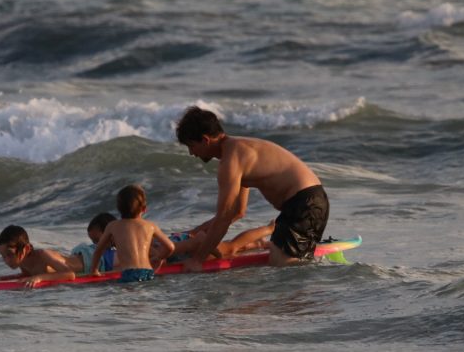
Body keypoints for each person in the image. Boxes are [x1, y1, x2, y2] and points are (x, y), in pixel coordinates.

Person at [175, 106, 328, 269]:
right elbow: (237, 212)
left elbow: (224, 216)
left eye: (191, 146)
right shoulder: (237, 149)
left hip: (304, 204)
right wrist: (193, 233)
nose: (192, 153)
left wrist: (198, 260)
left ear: (205, 140)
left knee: (285, 269)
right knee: (284, 268)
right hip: (308, 202)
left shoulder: (231, 161)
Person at [90, 185, 174, 283]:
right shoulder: (150, 226)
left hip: (128, 273)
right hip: (148, 272)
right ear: (144, 209)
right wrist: (159, 257)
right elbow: (170, 247)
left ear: (118, 208)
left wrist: (94, 270)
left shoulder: (113, 226)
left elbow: (98, 250)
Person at [0, 225, 100, 288]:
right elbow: (27, 275)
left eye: (9, 254)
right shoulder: (23, 261)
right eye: (3, 256)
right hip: (79, 256)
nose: (6, 260)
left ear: (26, 249)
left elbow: (69, 274)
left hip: (90, 258)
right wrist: (8, 278)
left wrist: (39, 278)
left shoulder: (43, 255)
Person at [156, 221, 275, 264]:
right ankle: (259, 243)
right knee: (228, 247)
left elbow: (200, 238)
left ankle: (270, 228)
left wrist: (219, 256)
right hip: (180, 243)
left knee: (231, 247)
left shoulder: (153, 252)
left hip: (189, 245)